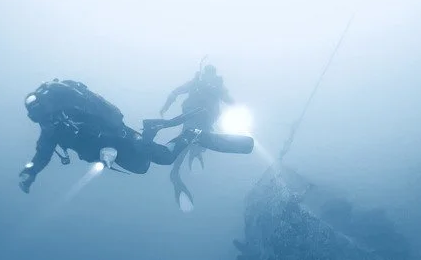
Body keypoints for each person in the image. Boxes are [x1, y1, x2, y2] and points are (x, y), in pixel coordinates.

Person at [18, 79, 253, 193]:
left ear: (49, 109)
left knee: (164, 158)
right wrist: (30, 172)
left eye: (45, 117)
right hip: (105, 154)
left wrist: (111, 141)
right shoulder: (51, 129)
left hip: (120, 138)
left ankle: (191, 133)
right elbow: (42, 153)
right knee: (142, 167)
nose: (44, 123)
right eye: (39, 120)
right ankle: (155, 131)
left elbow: (106, 113)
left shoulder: (73, 109)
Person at [145, 64, 236, 207]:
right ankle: (179, 169)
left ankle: (190, 158)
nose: (208, 77)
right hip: (193, 118)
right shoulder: (196, 83)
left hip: (204, 120)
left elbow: (230, 101)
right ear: (204, 74)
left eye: (210, 74)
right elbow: (176, 92)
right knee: (190, 138)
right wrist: (165, 106)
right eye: (207, 74)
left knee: (195, 139)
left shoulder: (215, 86)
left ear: (214, 75)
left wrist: (227, 98)